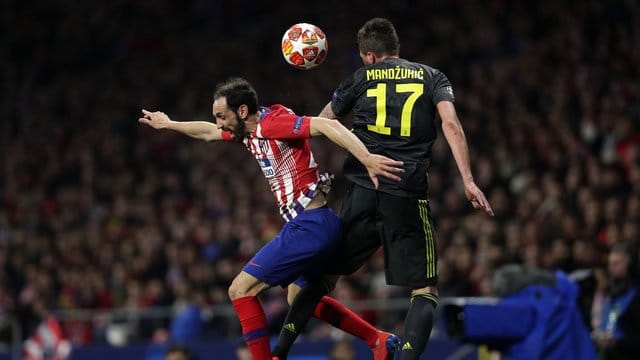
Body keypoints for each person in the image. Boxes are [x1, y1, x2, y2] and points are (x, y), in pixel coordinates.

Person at [273, 17, 494, 360]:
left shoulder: (359, 78)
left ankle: (279, 352)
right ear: (396, 49)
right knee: (423, 290)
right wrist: (467, 178)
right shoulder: (432, 76)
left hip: (361, 190)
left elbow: (323, 123)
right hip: (405, 193)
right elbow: (451, 124)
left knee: (323, 278)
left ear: (370, 56)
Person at [139, 77, 405, 360]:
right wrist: (169, 124)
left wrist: (367, 159)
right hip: (315, 224)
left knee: (240, 290)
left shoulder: (271, 124)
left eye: (221, 116)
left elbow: (328, 125)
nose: (218, 124)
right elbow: (207, 133)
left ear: (242, 111)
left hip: (310, 226)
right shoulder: (249, 131)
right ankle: (378, 339)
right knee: (297, 298)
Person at [592, 242, 640, 359]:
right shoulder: (612, 293)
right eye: (610, 264)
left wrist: (617, 343)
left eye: (617, 263)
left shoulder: (636, 296)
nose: (611, 268)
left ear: (631, 264)